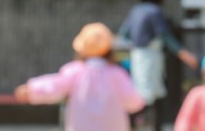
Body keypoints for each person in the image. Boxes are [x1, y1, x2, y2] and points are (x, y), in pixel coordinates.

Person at [15, 22, 144, 131]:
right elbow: (133, 102)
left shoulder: (75, 71)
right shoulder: (117, 74)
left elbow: (56, 85)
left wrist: (32, 90)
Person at [118, 0, 198, 118]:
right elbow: (165, 36)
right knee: (147, 95)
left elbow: (123, 35)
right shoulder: (155, 11)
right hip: (150, 56)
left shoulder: (136, 10)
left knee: (142, 91)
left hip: (136, 56)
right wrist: (185, 54)